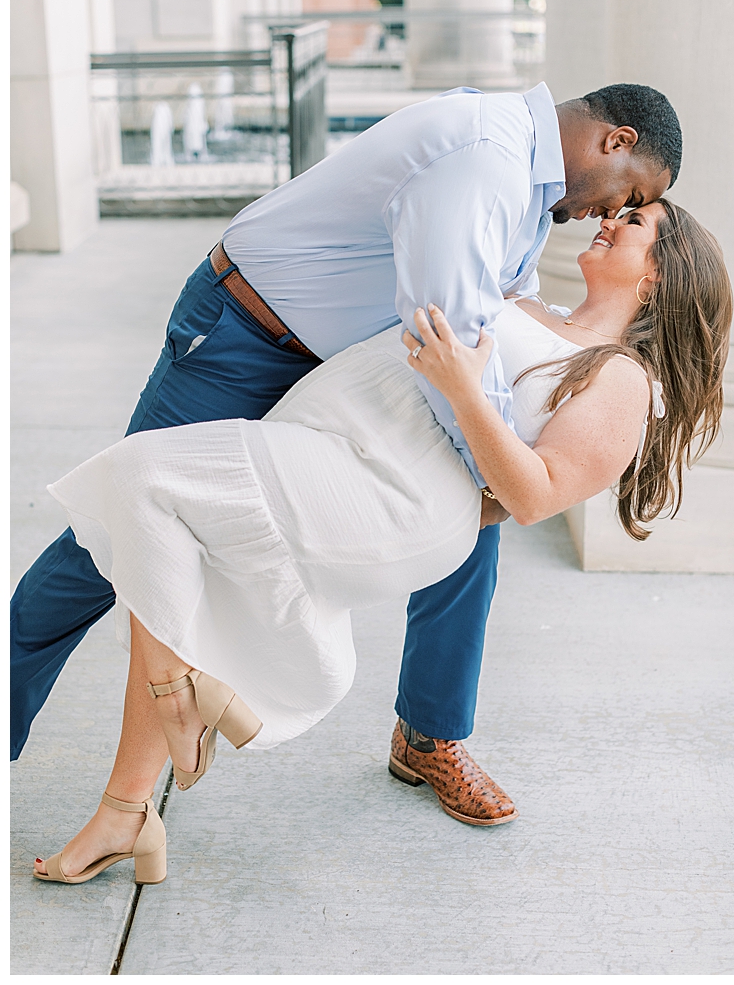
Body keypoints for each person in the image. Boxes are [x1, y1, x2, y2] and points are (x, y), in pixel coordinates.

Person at [12, 81, 681, 828]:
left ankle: (430, 734)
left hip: (335, 360)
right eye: (630, 194)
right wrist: (497, 472)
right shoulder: (484, 158)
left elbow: (491, 334)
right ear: (615, 141)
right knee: (103, 538)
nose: (611, 214)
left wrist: (493, 479)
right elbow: (449, 331)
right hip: (245, 336)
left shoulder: (526, 187)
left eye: (633, 213)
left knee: (468, 531)